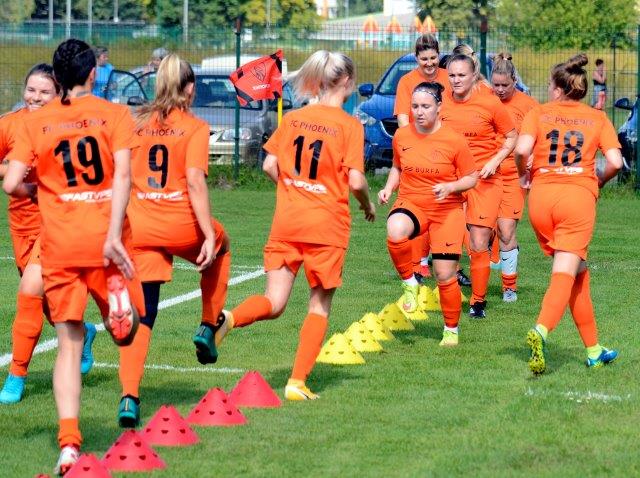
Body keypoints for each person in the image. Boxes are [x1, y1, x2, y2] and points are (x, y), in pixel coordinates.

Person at [2, 38, 145, 475]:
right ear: (93, 74)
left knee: (68, 344)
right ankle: (118, 308)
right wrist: (114, 232)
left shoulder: (34, 122)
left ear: (57, 79)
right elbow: (124, 175)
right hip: (105, 238)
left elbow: (10, 184)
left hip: (60, 244)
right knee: (130, 328)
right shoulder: (116, 114)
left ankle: (68, 444)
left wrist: (40, 190)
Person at [216, 50, 376, 401]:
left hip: (287, 222)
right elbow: (356, 181)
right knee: (318, 306)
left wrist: (294, 190)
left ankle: (228, 318)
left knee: (274, 302)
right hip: (326, 226)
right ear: (346, 81)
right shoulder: (350, 125)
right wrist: (367, 205)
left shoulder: (293, 118)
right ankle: (296, 382)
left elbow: (269, 165)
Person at [116, 54, 231, 428]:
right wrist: (208, 234)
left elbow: (120, 174)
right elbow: (195, 182)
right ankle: (207, 325)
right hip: (179, 224)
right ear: (190, 88)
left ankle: (129, 397)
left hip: (140, 227)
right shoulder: (194, 127)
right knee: (222, 247)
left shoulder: (135, 122)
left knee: (144, 313)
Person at [515, 54, 622, 375]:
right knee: (565, 271)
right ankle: (541, 329)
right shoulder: (597, 118)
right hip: (576, 199)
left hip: (541, 199)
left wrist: (523, 175)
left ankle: (593, 350)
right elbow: (615, 162)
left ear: (559, 89)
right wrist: (598, 181)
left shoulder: (538, 112)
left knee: (578, 272)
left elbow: (522, 150)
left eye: (550, 85)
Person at [0, 64, 97, 405]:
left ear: (58, 94)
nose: (36, 97)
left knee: (29, 290)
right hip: (22, 225)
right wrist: (13, 172)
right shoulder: (9, 124)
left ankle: (16, 376)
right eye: (31, 89)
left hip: (58, 223)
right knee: (46, 303)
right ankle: (83, 332)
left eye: (44, 92)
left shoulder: (66, 127)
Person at [379, 82, 477, 345]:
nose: (419, 112)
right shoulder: (402, 136)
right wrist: (388, 188)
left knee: (444, 276)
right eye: (415, 106)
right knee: (395, 229)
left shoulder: (454, 140)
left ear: (439, 107)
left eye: (425, 106)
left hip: (446, 211)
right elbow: (397, 167)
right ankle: (410, 283)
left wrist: (451, 187)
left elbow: (472, 178)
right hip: (412, 202)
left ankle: (451, 330)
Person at [441, 53, 517, 319]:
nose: (456, 80)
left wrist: (495, 161)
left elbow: (511, 136)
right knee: (448, 239)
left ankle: (477, 302)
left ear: (473, 75)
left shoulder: (490, 102)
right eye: (452, 75)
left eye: (461, 75)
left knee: (478, 240)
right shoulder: (441, 102)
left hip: (485, 181)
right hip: (452, 181)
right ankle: (442, 288)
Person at [393, 34, 471, 287]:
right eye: (424, 59)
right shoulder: (407, 81)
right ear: (416, 58)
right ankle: (417, 267)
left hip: (447, 152)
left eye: (433, 58)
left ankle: (453, 267)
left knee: (451, 212)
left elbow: (460, 106)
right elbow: (403, 118)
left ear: (439, 55)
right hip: (420, 150)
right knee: (418, 210)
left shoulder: (449, 77)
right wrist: (416, 144)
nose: (429, 63)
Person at [490, 53, 539, 303]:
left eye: (505, 85)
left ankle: (509, 287)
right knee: (482, 232)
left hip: (513, 176)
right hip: (485, 176)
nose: (499, 90)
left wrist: (534, 156)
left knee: (506, 229)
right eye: (495, 84)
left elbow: (543, 137)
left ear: (514, 81)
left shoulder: (529, 106)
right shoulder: (484, 102)